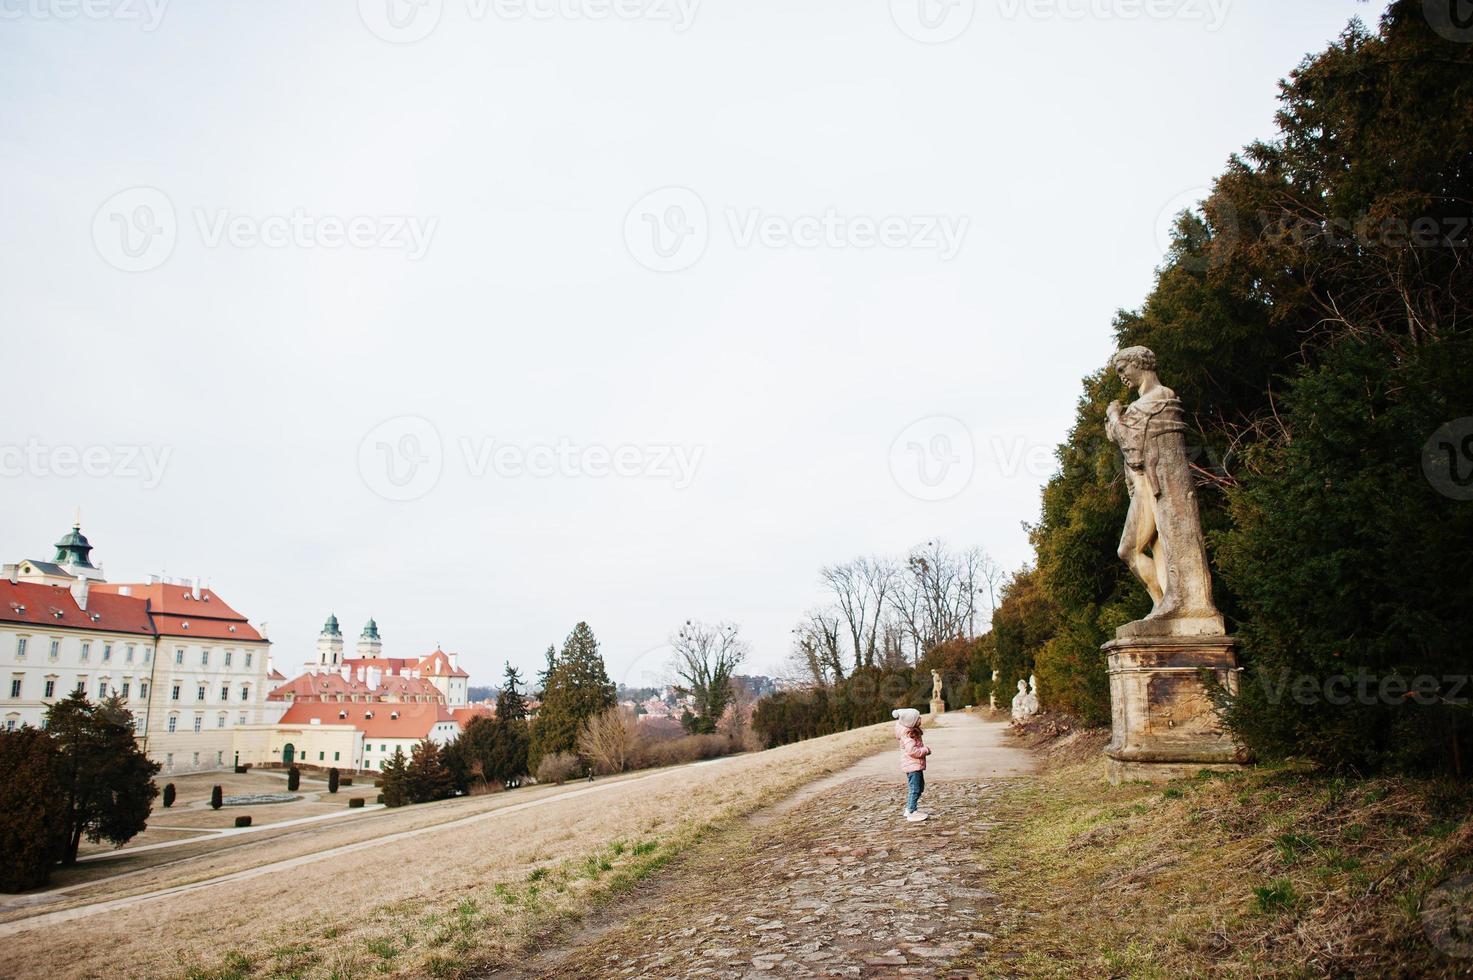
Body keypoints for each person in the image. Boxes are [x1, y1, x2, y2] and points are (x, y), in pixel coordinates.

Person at [892, 707, 932, 822]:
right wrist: (925, 750)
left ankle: (909, 809)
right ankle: (911, 811)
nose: (920, 719)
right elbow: (912, 751)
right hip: (912, 766)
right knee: (915, 788)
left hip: (915, 765)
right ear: (911, 721)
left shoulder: (912, 731)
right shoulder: (908, 735)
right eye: (918, 718)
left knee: (919, 787)